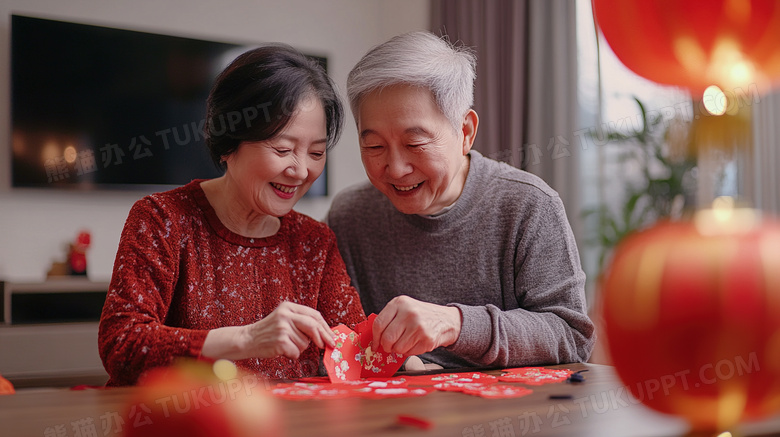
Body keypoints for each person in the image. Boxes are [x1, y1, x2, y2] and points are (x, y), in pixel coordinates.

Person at [99, 45, 366, 386]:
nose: (300, 171)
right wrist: (246, 340)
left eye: (316, 152)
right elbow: (122, 344)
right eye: (283, 149)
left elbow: (354, 351)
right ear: (228, 144)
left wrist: (409, 355)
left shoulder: (314, 241)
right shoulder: (162, 219)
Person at [327, 31, 595, 370]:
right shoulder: (351, 216)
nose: (395, 168)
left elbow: (571, 337)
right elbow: (339, 341)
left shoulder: (527, 205)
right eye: (374, 147)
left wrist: (455, 324)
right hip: (391, 418)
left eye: (415, 144)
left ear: (465, 132)